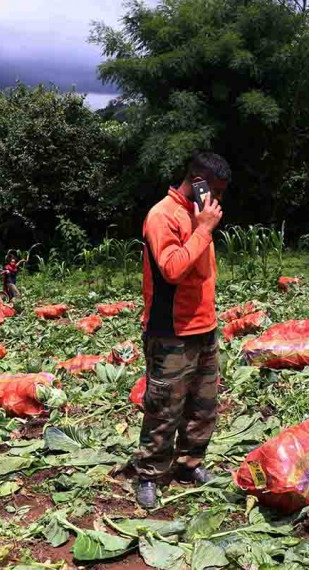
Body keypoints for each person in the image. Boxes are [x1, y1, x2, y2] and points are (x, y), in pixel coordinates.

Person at [134, 151, 230, 509]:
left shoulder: (197, 214)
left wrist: (203, 223)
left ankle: (189, 465)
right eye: (215, 191)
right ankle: (149, 475)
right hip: (171, 331)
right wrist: (204, 228)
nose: (218, 201)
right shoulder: (163, 216)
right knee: (164, 409)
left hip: (204, 327)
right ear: (198, 181)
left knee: (203, 406)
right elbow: (172, 269)